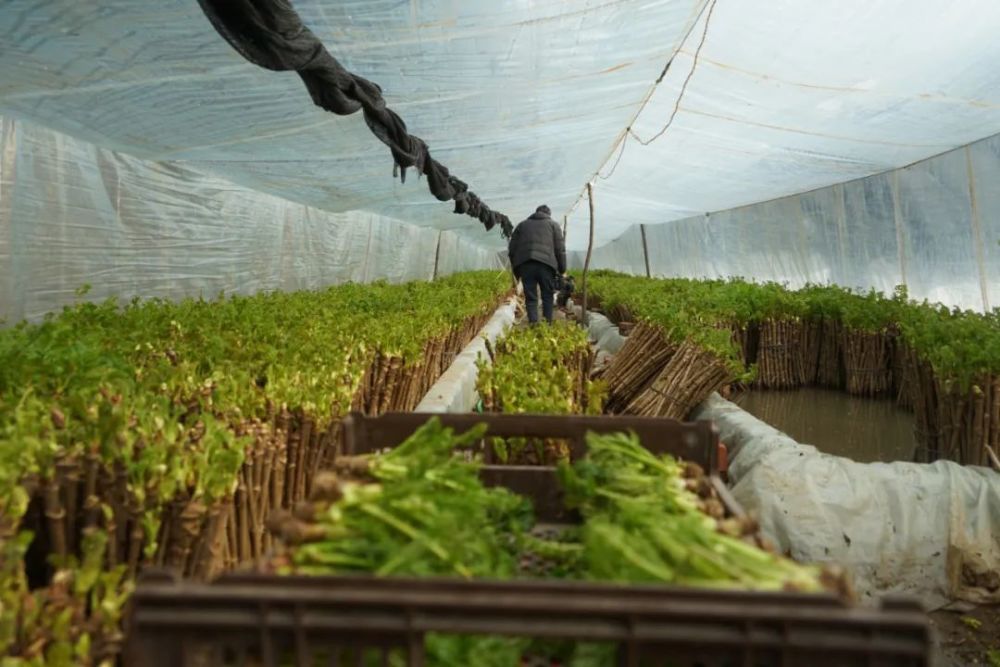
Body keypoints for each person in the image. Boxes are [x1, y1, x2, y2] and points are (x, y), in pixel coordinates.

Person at [508, 204, 566, 324]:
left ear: (536, 212)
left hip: (526, 265)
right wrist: (562, 269)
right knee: (547, 296)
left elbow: (512, 249)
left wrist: (516, 270)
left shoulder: (522, 225)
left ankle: (533, 326)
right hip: (546, 265)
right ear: (549, 214)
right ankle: (546, 326)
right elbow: (560, 249)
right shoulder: (553, 225)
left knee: (531, 298)